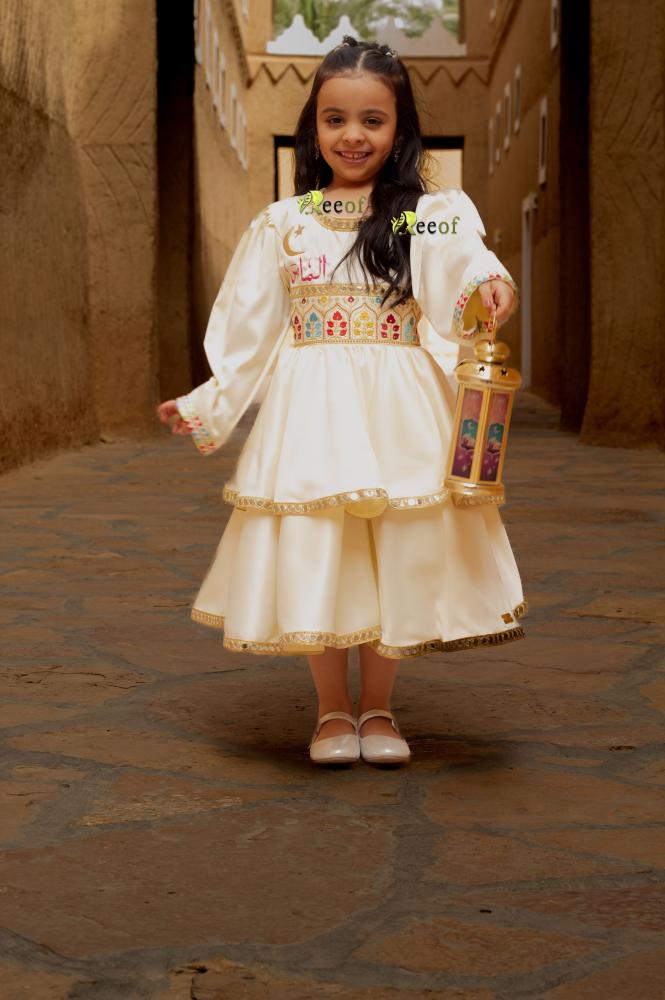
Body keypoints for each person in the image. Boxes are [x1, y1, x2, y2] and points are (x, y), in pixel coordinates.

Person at [157, 35, 527, 769]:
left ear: (399, 128)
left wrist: (488, 285)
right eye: (335, 119)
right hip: (312, 411)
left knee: (393, 547)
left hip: (400, 407)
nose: (352, 136)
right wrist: (210, 399)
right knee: (320, 545)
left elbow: (464, 259)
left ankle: (379, 707)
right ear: (314, 127)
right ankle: (332, 710)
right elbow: (249, 329)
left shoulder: (414, 215)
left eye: (372, 120)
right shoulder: (284, 223)